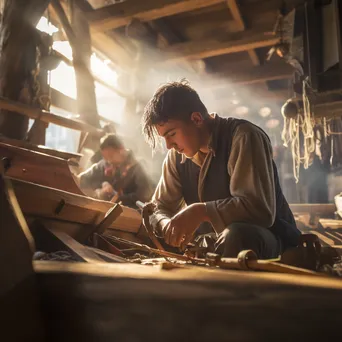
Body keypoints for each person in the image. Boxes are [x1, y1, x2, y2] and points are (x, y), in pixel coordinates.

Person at [142, 80, 301, 258]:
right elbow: (157, 208)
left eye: (171, 134)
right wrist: (168, 226)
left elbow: (259, 210)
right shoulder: (176, 157)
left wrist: (200, 211)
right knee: (152, 238)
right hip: (216, 243)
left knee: (237, 236)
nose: (169, 145)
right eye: (164, 137)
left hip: (270, 240)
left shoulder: (243, 137)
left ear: (196, 119)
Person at [78, 133, 153, 208]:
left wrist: (117, 197)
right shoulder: (106, 163)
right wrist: (102, 186)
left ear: (121, 149)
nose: (108, 162)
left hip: (128, 212)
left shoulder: (138, 166)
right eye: (105, 158)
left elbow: (143, 196)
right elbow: (84, 178)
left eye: (111, 156)